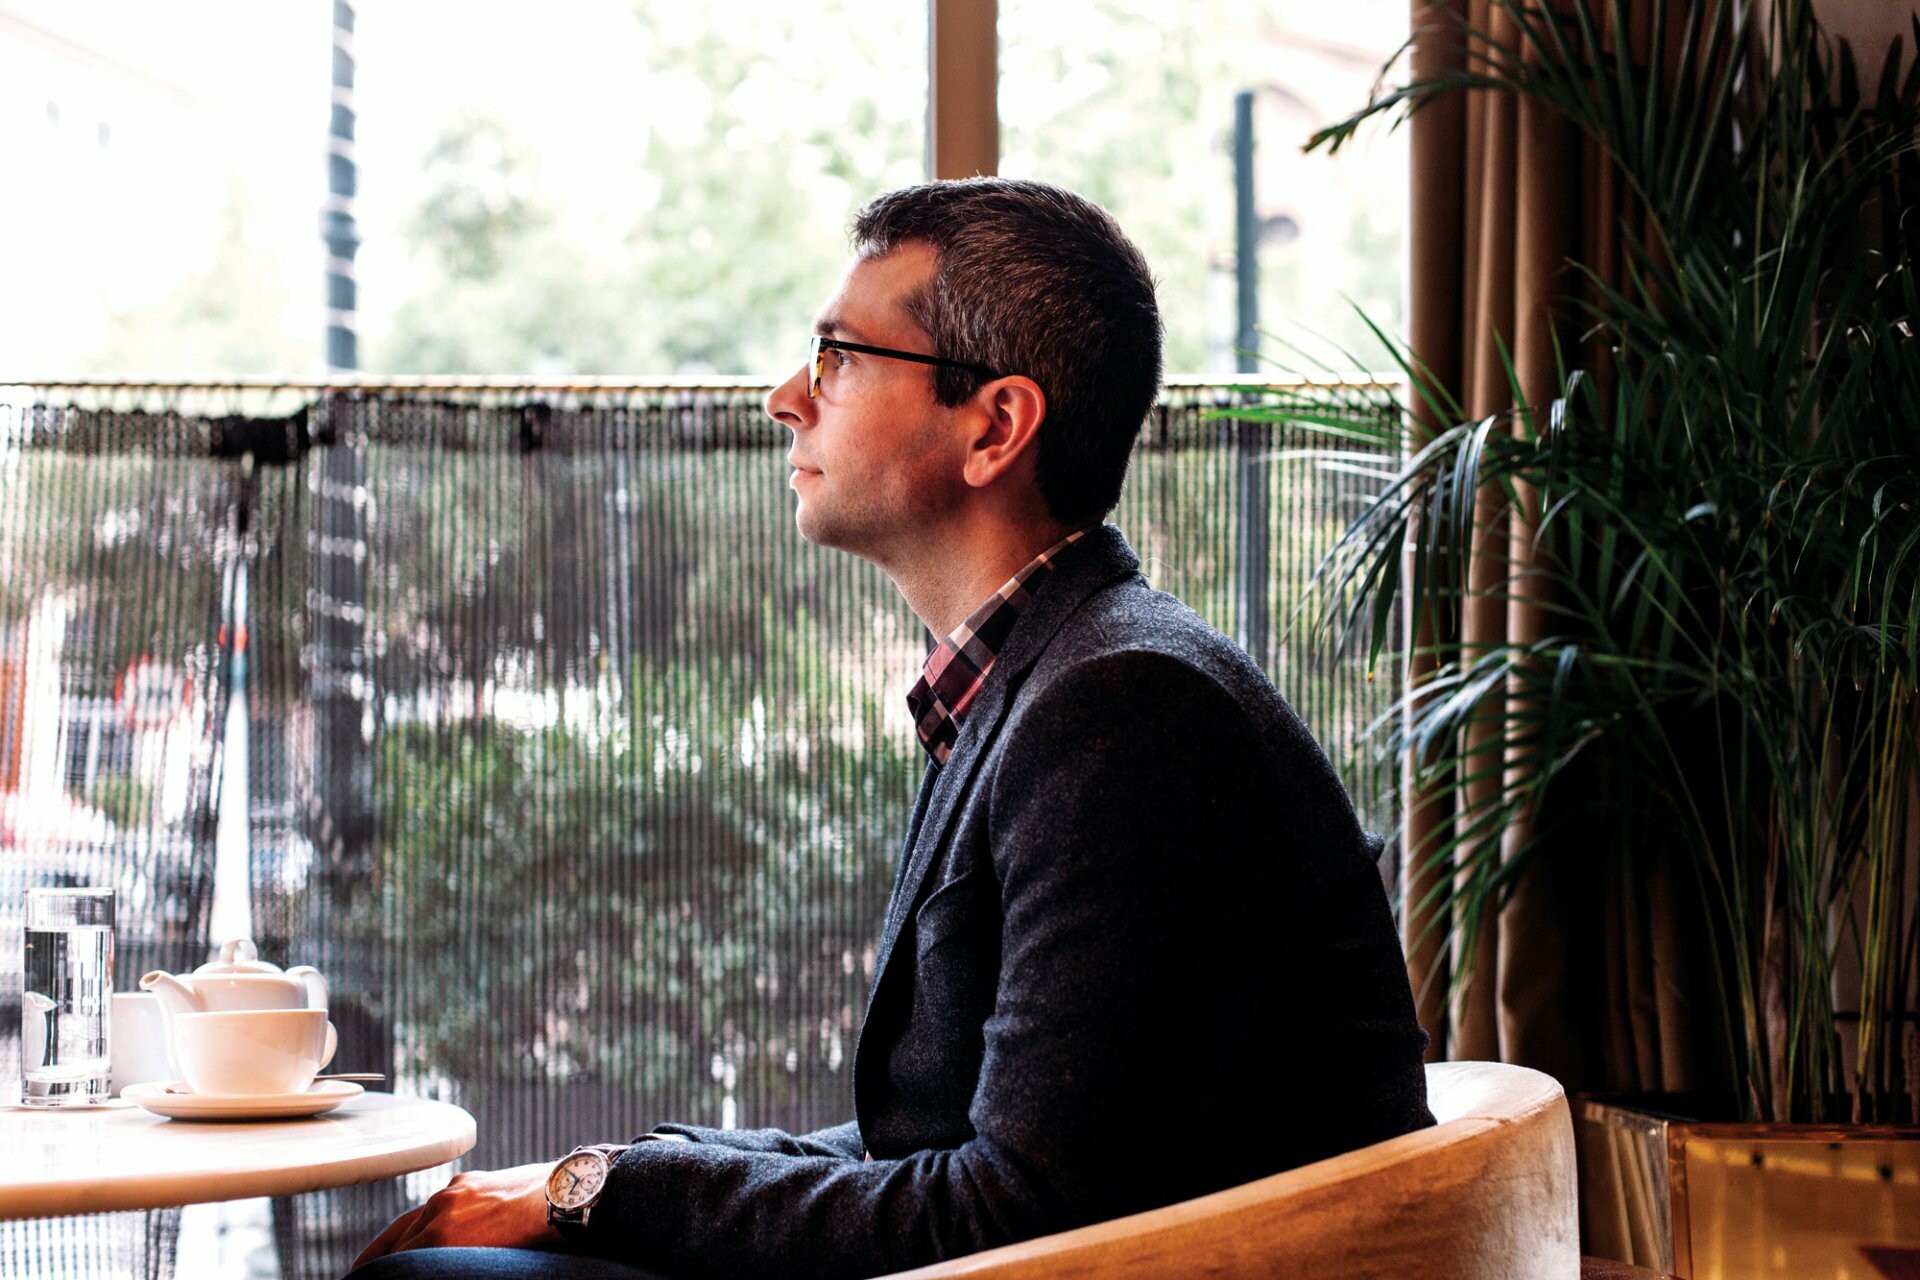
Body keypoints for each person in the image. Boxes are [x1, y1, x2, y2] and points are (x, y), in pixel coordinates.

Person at [347, 178, 1433, 1280]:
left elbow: (1017, 1205)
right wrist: (607, 1173)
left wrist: (605, 1192)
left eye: (837, 357)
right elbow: (926, 1144)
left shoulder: (1130, 710)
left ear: (994, 426)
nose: (785, 398)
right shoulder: (1051, 676)